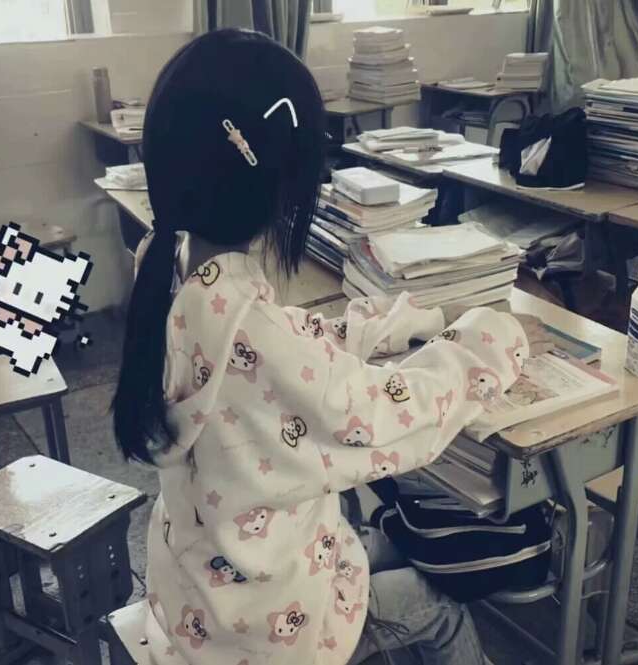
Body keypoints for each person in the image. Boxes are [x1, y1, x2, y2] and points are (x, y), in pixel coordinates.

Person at [112, 28, 545, 665]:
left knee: (374, 541)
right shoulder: (256, 334)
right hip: (270, 631)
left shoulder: (170, 270)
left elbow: (286, 346)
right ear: (278, 191)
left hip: (199, 595)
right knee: (440, 608)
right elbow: (388, 415)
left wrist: (393, 321)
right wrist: (492, 338)